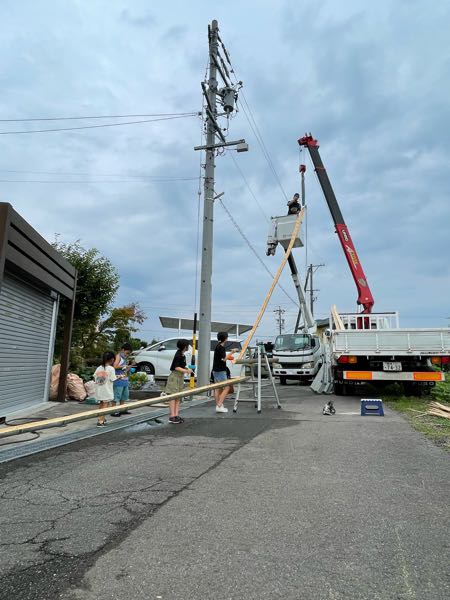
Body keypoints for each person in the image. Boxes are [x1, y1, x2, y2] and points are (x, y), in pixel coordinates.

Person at [165, 339, 193, 424]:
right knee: (173, 397)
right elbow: (176, 367)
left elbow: (183, 365)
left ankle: (176, 415)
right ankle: (172, 416)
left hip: (180, 377)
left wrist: (187, 369)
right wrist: (186, 371)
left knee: (178, 397)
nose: (188, 347)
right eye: (188, 345)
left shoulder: (182, 355)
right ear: (184, 346)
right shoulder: (178, 355)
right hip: (174, 377)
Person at [212, 332, 236, 413]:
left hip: (215, 370)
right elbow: (224, 359)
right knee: (226, 387)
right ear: (225, 338)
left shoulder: (217, 346)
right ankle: (219, 405)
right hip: (220, 370)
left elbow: (221, 358)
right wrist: (232, 352)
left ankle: (218, 405)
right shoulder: (221, 347)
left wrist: (228, 356)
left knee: (217, 388)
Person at [93, 351, 117, 427]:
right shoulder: (111, 369)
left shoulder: (99, 368)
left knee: (101, 404)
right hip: (106, 391)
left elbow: (95, 377)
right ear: (112, 359)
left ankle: (100, 418)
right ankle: (100, 421)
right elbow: (113, 379)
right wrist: (119, 377)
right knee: (105, 405)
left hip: (99, 390)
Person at [112, 342, 133, 417]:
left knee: (124, 396)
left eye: (129, 354)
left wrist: (128, 367)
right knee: (116, 396)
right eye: (127, 353)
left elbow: (124, 369)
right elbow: (114, 366)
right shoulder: (118, 356)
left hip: (124, 379)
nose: (127, 355)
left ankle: (122, 410)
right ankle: (113, 411)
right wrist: (124, 366)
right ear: (123, 350)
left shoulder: (125, 358)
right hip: (118, 380)